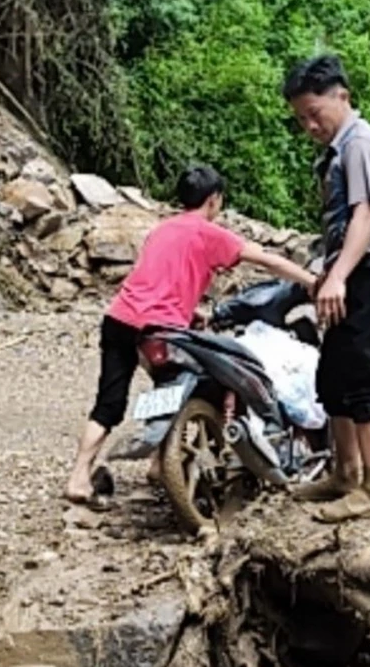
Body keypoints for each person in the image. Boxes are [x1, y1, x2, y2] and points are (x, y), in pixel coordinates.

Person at [66, 164, 316, 503]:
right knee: (206, 382)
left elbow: (159, 277)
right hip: (160, 328)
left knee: (109, 403)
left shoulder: (161, 229)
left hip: (120, 318)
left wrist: (189, 310)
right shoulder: (210, 232)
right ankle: (164, 463)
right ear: (213, 200)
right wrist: (313, 282)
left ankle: (80, 477)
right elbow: (266, 260)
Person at [283, 54, 370, 520]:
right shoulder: (337, 151)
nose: (310, 126)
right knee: (332, 377)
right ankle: (344, 473)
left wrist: (336, 277)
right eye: (301, 119)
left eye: (315, 113)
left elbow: (365, 215)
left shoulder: (361, 145)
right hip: (351, 274)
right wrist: (328, 273)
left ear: (342, 96)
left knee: (360, 378)